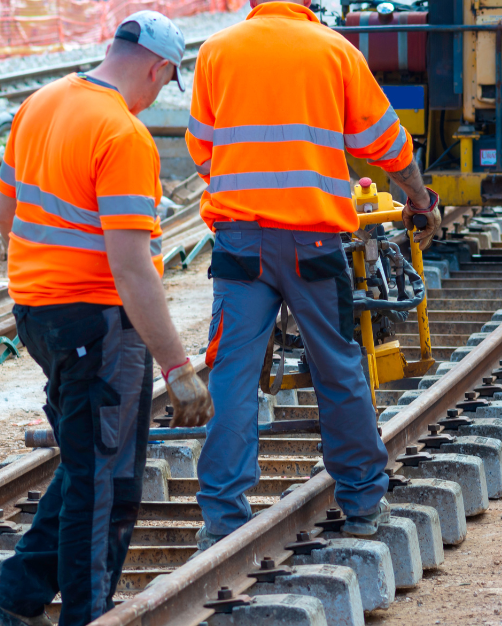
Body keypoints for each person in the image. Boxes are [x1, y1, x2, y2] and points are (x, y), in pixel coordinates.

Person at [0, 11, 214, 626]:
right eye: (166, 83)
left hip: (38, 314)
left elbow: (7, 214)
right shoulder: (124, 133)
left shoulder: (41, 102)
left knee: (86, 465)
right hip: (97, 325)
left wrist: (55, 269)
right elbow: (133, 269)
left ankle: (15, 596)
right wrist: (178, 368)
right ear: (160, 69)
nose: (159, 94)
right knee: (108, 480)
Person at [186, 0, 441, 547]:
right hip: (314, 242)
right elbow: (388, 144)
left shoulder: (216, 52)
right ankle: (363, 500)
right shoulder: (334, 51)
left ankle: (223, 521)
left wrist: (244, 189)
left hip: (240, 243)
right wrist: (420, 199)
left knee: (232, 373)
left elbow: (202, 151)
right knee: (336, 361)